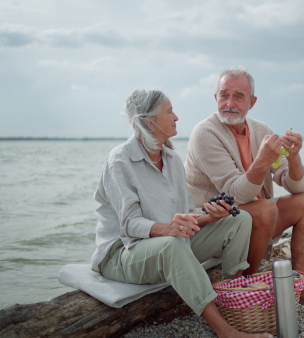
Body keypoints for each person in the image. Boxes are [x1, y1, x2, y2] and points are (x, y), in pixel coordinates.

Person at [90, 89, 272, 338]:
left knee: (239, 219)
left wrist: (211, 215)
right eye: (170, 111)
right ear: (149, 122)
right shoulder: (120, 160)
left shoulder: (173, 159)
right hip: (123, 253)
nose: (176, 117)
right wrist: (168, 229)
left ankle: (234, 301)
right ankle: (225, 331)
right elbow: (130, 224)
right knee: (171, 244)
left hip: (169, 243)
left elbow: (185, 215)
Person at [185, 66, 304, 307]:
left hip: (258, 219)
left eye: (239, 96)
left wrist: (293, 156)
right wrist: (262, 161)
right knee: (265, 208)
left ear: (252, 102)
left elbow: (296, 186)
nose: (230, 103)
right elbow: (234, 196)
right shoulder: (204, 133)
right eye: (224, 95)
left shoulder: (262, 131)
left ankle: (300, 287)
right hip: (217, 226)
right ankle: (248, 290)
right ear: (215, 98)